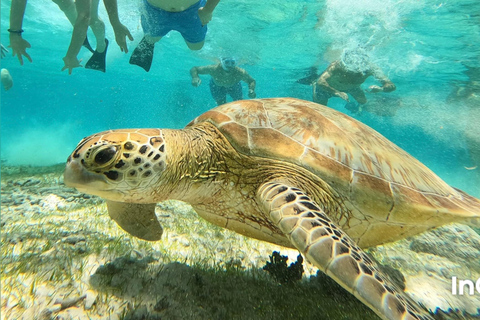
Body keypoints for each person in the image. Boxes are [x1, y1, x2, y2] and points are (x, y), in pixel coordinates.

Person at [8, 0, 132, 74]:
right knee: (65, 4)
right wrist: (15, 34)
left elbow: (84, 17)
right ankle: (81, 36)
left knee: (92, 18)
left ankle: (101, 46)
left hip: (87, 17)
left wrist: (71, 55)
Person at [130, 0, 221, 72]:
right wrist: (116, 23)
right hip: (155, 10)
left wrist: (208, 10)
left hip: (193, 10)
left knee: (196, 47)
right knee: (150, 40)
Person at [309, 47, 396, 113]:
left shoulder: (371, 69)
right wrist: (337, 92)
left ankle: (357, 108)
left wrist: (382, 89)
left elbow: (391, 86)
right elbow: (321, 81)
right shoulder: (337, 65)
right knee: (320, 111)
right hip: (325, 88)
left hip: (352, 88)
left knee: (364, 102)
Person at [190, 57, 256, 105]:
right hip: (216, 86)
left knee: (239, 104)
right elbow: (194, 69)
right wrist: (195, 77)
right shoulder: (213, 68)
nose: (230, 65)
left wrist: (252, 90)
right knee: (221, 105)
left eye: (233, 63)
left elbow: (251, 81)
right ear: (222, 62)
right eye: (227, 62)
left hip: (234, 86)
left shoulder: (240, 72)